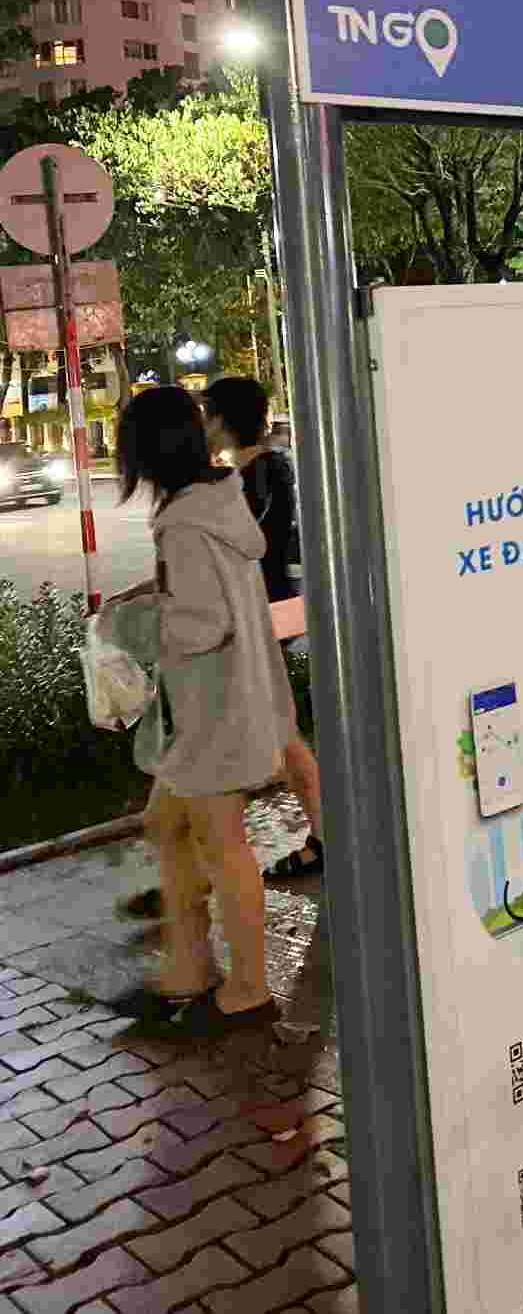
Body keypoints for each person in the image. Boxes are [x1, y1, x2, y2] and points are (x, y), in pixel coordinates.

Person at [110, 385, 297, 1032]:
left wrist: (131, 624)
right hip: (221, 708)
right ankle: (187, 968)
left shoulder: (187, 521)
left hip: (210, 716)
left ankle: (245, 987)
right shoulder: (218, 500)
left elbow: (196, 625)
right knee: (170, 828)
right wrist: (151, 593)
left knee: (224, 847)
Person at [203, 377, 324, 880]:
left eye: (208, 413)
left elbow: (241, 552)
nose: (204, 423)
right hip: (276, 607)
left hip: (262, 613)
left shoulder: (253, 478)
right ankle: (319, 833)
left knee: (270, 732)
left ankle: (317, 837)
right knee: (276, 731)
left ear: (225, 420)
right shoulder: (270, 468)